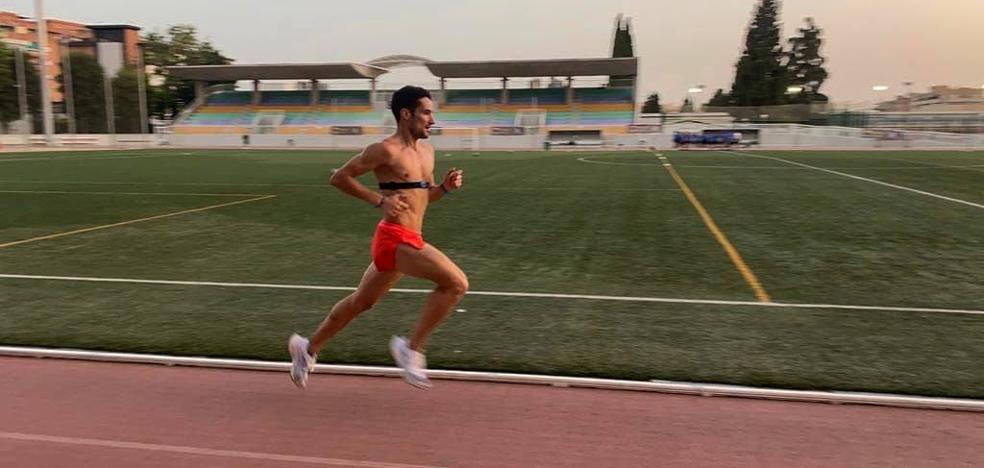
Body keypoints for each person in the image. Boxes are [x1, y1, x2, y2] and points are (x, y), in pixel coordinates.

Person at [288, 86, 467, 389]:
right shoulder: (384, 150)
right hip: (394, 239)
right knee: (456, 283)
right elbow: (339, 178)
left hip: (409, 236)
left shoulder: (427, 151)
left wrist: (445, 189)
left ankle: (306, 349)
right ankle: (411, 350)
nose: (432, 120)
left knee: (361, 302)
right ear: (406, 114)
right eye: (426, 112)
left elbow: (422, 199)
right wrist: (379, 201)